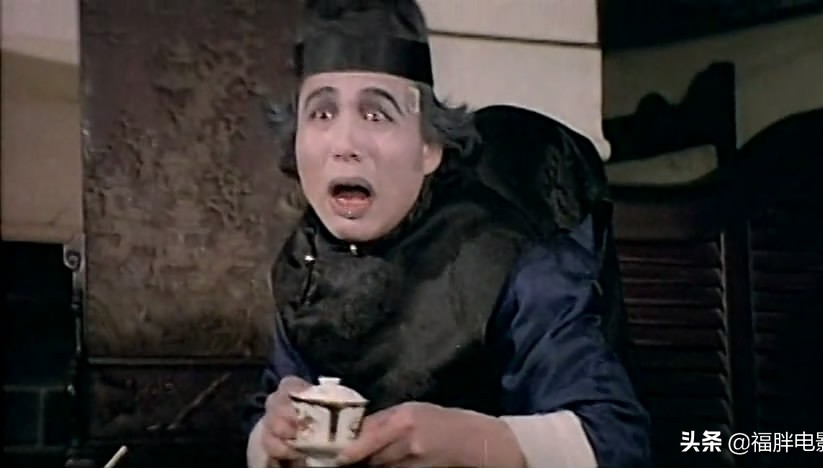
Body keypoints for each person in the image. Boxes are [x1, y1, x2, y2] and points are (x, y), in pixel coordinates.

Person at [243, 1, 651, 467]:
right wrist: (270, 438)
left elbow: (616, 439)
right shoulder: (304, 263)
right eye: (321, 114)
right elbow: (267, 407)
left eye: (376, 115)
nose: (345, 144)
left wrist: (477, 442)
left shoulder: (511, 254)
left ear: (429, 148)